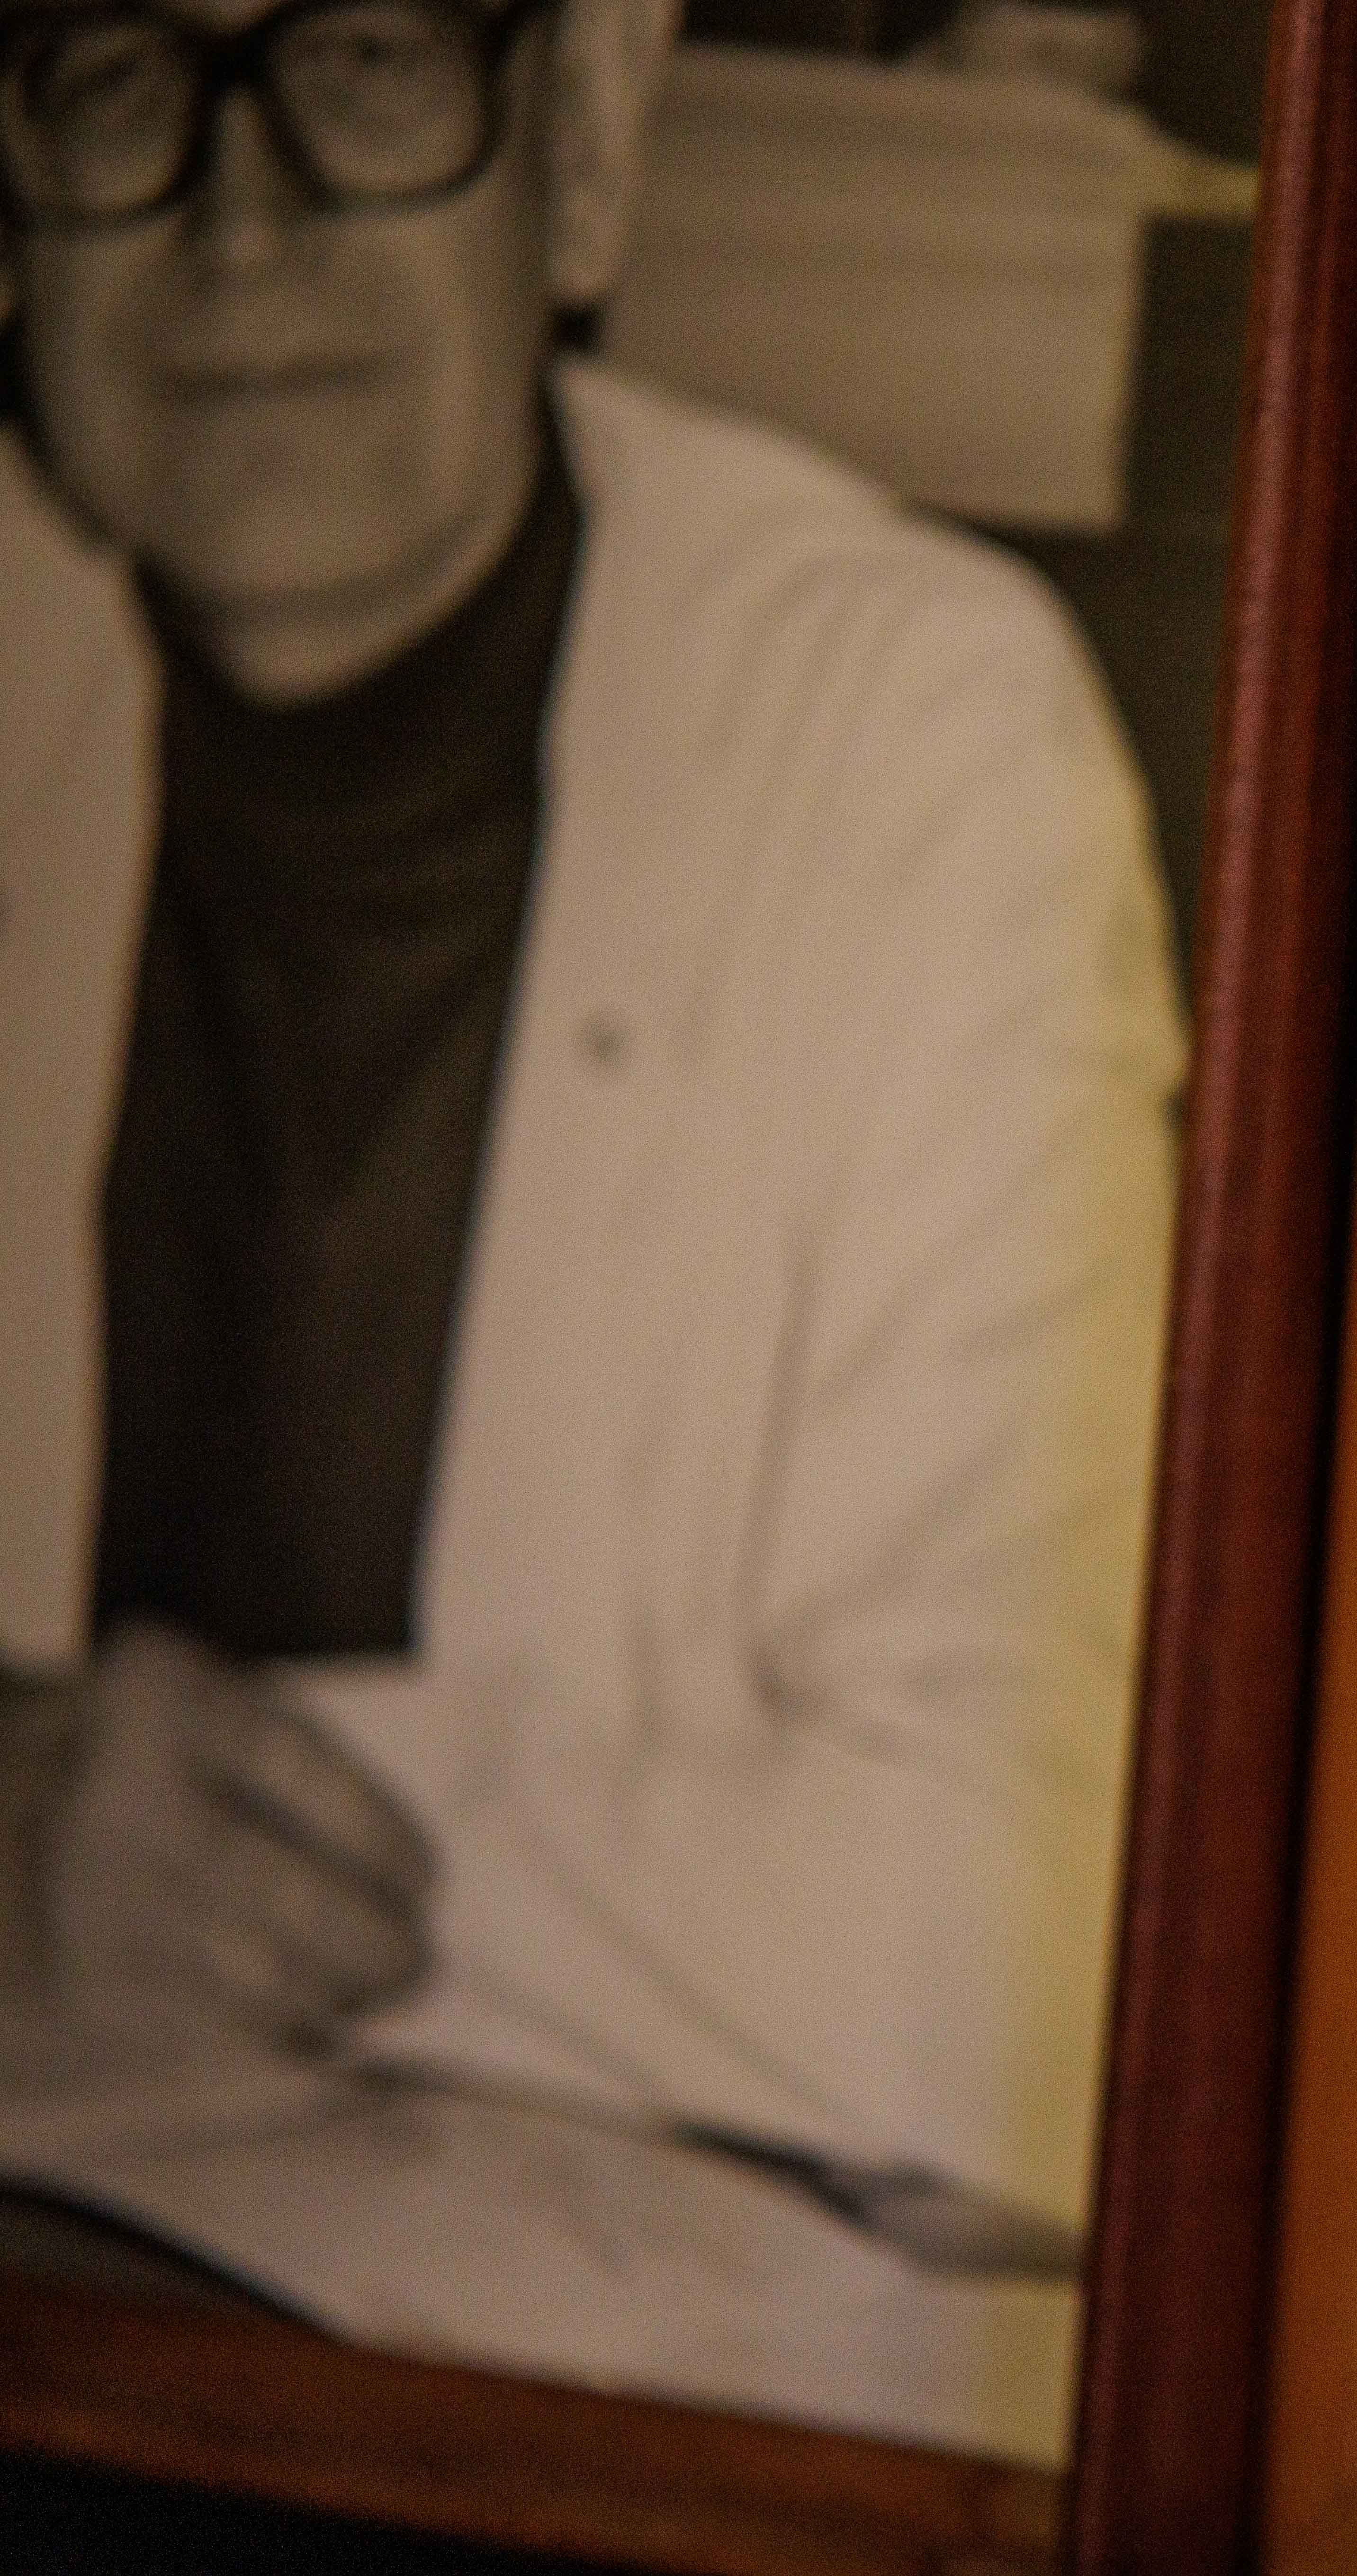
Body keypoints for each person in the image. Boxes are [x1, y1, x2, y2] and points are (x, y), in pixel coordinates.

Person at [0, 0, 1180, 2255]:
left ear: (589, 125)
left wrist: (117, 1864)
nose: (241, 227)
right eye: (119, 73)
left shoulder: (922, 740)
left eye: (363, 60)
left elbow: (1020, 1936)